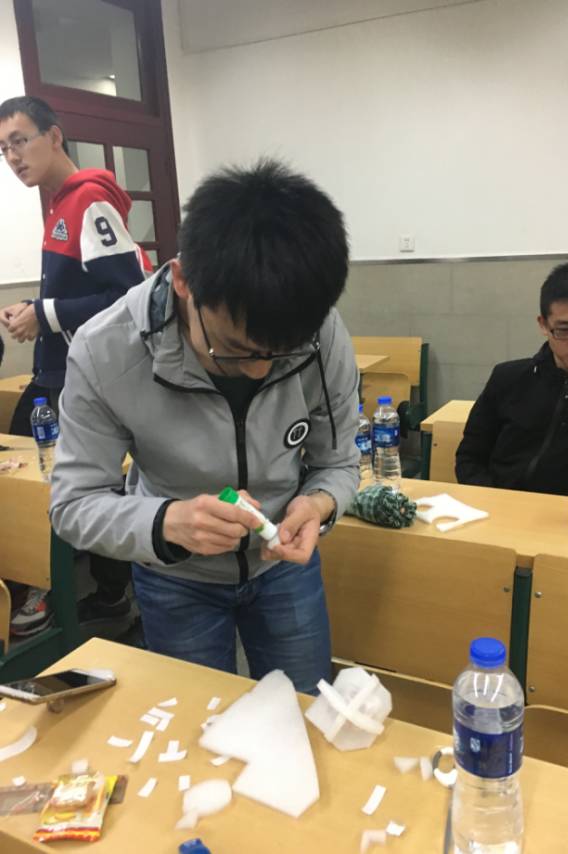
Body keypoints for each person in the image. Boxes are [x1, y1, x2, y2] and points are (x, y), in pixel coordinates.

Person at [50, 158, 360, 693]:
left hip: (284, 571)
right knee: (196, 724)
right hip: (175, 580)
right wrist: (167, 522)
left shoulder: (319, 332)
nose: (261, 371)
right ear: (182, 281)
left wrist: (319, 505)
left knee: (306, 711)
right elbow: (73, 505)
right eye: (236, 349)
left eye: (281, 354)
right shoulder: (105, 350)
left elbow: (339, 461)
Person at [0, 95, 148, 636]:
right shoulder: (58, 205)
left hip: (84, 378)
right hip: (58, 372)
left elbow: (131, 295)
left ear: (54, 137)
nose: (12, 157)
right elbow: (77, 294)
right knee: (30, 471)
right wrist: (35, 309)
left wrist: (46, 315)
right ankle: (49, 584)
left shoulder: (88, 201)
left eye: (20, 141)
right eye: (3, 149)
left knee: (80, 482)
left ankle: (101, 595)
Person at [456, 262, 568, 498]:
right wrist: (495, 502)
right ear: (543, 324)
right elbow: (470, 457)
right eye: (564, 330)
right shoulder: (507, 379)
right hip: (497, 511)